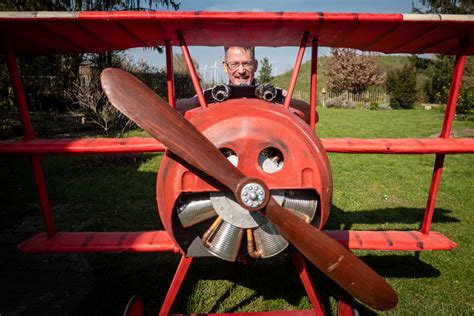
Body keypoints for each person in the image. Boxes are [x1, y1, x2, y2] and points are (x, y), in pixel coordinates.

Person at [176, 46, 311, 123]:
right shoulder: (211, 95)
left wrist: (279, 99)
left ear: (256, 65)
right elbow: (174, 111)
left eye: (247, 64)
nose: (241, 71)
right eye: (234, 64)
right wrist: (206, 99)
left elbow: (312, 115)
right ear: (225, 66)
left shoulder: (273, 93)